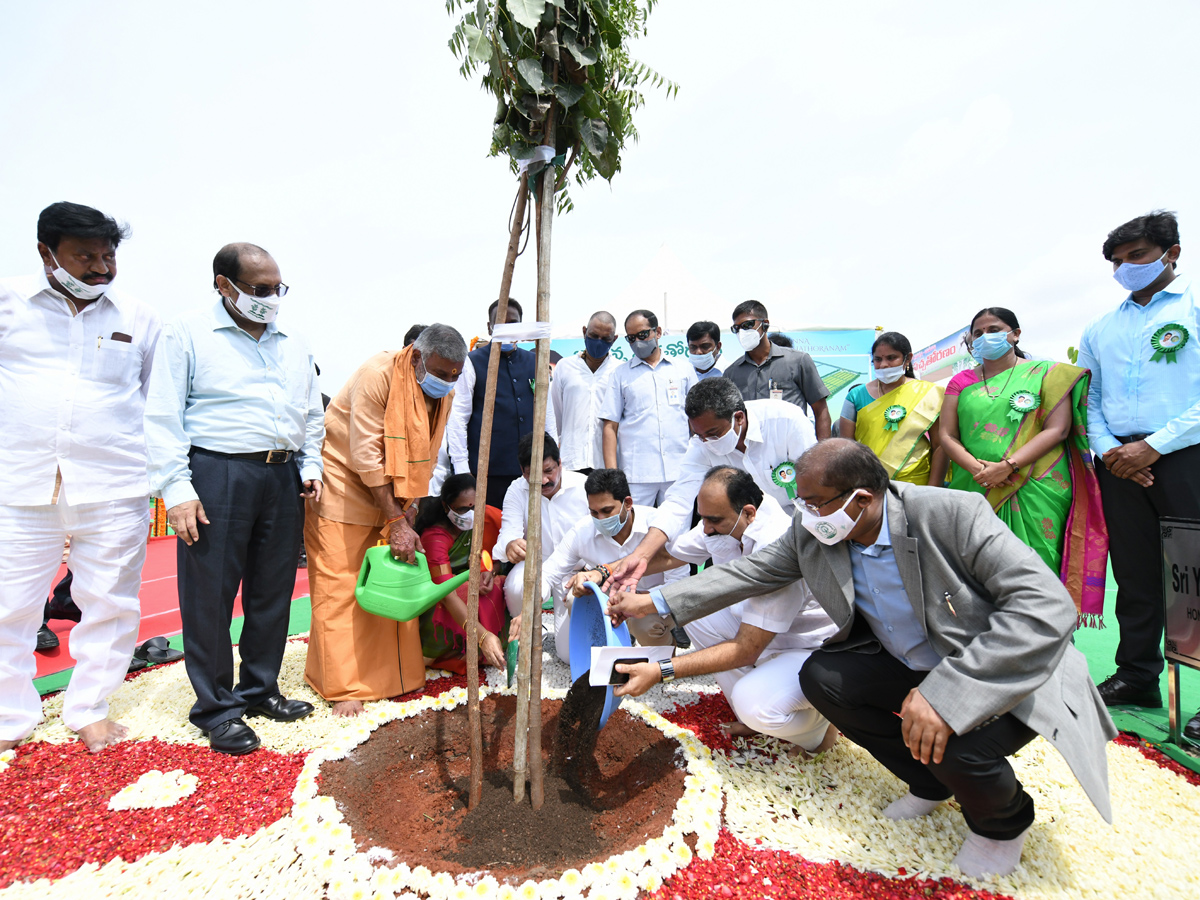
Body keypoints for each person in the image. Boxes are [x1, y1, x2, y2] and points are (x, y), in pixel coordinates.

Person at [609, 440, 1116, 878]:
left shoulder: (951, 514)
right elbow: (752, 572)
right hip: (905, 660)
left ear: (862, 499)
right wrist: (655, 602)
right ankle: (928, 781)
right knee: (826, 681)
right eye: (800, 501)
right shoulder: (818, 529)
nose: (803, 515)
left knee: (954, 735)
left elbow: (1047, 606)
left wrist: (944, 694)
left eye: (813, 502)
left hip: (996, 666)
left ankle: (1002, 824)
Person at [145, 242, 324, 755]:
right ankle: (217, 708)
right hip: (216, 472)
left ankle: (260, 688)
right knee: (210, 595)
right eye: (259, 289)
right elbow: (161, 417)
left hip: (281, 474)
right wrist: (177, 490)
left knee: (272, 590)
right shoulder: (186, 333)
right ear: (223, 285)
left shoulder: (293, 342)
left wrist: (308, 465)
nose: (271, 299)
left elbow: (311, 413)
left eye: (277, 289)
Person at [0, 201, 161, 753]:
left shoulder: (138, 318)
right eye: (84, 256)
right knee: (9, 606)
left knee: (111, 602)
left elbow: (152, 399)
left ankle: (89, 707)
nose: (100, 267)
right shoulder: (7, 305)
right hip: (22, 485)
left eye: (108, 256)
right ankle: (8, 719)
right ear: (47, 254)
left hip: (114, 484)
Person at [599, 467, 838, 755]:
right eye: (703, 519)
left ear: (749, 513)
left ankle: (819, 728)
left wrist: (659, 671)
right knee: (696, 614)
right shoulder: (723, 521)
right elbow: (670, 556)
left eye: (713, 521)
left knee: (754, 704)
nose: (706, 529)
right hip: (761, 636)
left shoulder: (775, 542)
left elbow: (745, 649)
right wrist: (606, 572)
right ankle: (756, 715)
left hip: (807, 651)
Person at [304, 324, 467, 717]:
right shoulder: (376, 375)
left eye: (454, 377)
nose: (447, 383)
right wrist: (396, 520)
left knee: (394, 581)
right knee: (340, 587)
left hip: (392, 495)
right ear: (415, 357)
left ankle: (396, 676)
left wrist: (407, 510)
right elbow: (365, 456)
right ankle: (343, 685)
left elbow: (426, 456)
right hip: (344, 488)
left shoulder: (442, 393)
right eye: (441, 373)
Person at [1078, 211, 1200, 736]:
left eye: (1138, 256)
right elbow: (1092, 398)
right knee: (1136, 574)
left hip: (1185, 454)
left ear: (1171, 253)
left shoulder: (1193, 308)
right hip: (1119, 465)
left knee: (1194, 576)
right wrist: (1110, 451)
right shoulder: (1101, 328)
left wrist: (1154, 445)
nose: (1126, 268)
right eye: (1118, 262)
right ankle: (1136, 674)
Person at [940, 308, 1107, 626]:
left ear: (1015, 334)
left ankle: (1050, 644)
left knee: (1037, 569)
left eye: (995, 328)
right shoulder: (960, 382)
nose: (986, 336)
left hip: (1035, 485)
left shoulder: (1047, 374)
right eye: (978, 332)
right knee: (976, 571)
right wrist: (980, 470)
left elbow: (1057, 430)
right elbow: (947, 436)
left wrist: (1007, 466)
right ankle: (987, 650)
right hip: (974, 486)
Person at [605, 377, 818, 589]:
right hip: (739, 532)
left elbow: (815, 491)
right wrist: (641, 555)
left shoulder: (786, 420)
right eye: (699, 435)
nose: (706, 442)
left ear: (739, 417)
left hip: (799, 525)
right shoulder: (700, 446)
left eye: (712, 434)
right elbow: (678, 502)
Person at [536, 468, 678, 665]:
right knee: (572, 601)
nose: (600, 519)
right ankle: (611, 646)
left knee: (647, 631)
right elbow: (549, 572)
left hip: (651, 605)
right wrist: (532, 605)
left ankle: (667, 641)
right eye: (594, 512)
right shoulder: (583, 530)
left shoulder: (657, 527)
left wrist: (639, 603)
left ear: (627, 503)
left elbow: (678, 584)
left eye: (607, 511)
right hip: (608, 606)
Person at [448, 298, 557, 509]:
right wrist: (462, 469)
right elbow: (458, 418)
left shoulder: (535, 361)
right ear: (489, 327)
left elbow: (547, 413)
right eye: (500, 323)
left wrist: (552, 458)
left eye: (513, 323)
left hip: (531, 469)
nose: (507, 328)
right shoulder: (472, 362)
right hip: (488, 472)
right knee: (492, 531)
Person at [599, 310, 698, 506]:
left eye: (643, 335)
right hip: (637, 475)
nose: (637, 342)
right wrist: (613, 475)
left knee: (677, 531)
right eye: (631, 338)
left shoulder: (683, 370)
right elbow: (610, 426)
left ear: (658, 332)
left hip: (678, 471)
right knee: (637, 532)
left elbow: (696, 420)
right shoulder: (620, 375)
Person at [414, 474, 507, 673]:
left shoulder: (488, 516)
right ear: (446, 506)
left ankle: (489, 649)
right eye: (463, 509)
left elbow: (502, 555)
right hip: (439, 602)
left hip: (472, 585)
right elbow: (445, 593)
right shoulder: (435, 537)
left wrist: (490, 571)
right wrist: (483, 637)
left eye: (475, 507)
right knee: (467, 591)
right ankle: (452, 652)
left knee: (501, 585)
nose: (471, 514)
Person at [495, 432, 590, 620]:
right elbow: (508, 533)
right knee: (515, 587)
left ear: (560, 463)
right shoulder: (516, 490)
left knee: (565, 649)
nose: (544, 480)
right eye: (534, 474)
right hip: (537, 565)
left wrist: (590, 569)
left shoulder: (584, 486)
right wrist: (510, 545)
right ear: (523, 472)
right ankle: (522, 639)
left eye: (549, 471)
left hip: (578, 568)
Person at [839, 332, 947, 486]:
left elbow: (939, 445)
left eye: (891, 358)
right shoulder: (856, 396)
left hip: (917, 485)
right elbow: (847, 447)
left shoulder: (929, 393)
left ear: (907, 358)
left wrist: (933, 488)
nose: (883, 365)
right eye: (878, 359)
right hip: (869, 484)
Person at [724, 300, 831, 439]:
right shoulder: (731, 373)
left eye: (748, 325)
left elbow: (820, 410)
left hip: (792, 451)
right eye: (736, 328)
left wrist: (822, 454)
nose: (742, 332)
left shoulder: (798, 361)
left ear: (765, 324)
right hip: (751, 453)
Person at [550, 311, 619, 473]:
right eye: (594, 336)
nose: (598, 342)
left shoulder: (619, 371)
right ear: (584, 332)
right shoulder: (564, 367)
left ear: (614, 339)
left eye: (606, 339)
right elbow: (556, 415)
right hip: (571, 461)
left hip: (606, 464)